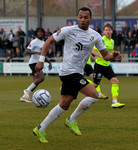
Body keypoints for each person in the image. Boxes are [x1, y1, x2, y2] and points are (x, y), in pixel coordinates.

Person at [32, 7, 123, 143]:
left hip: (77, 72)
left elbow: (106, 55)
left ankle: (40, 128)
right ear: (77, 18)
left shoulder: (95, 36)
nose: (83, 20)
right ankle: (71, 120)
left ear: (90, 19)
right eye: (80, 17)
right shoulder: (69, 30)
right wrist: (41, 61)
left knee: (64, 104)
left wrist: (114, 56)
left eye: (86, 17)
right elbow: (49, 41)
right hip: (69, 72)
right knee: (94, 95)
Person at [91, 23, 125, 108]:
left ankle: (114, 102)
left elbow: (109, 53)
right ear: (104, 32)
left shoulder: (112, 41)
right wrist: (102, 56)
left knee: (115, 81)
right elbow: (93, 50)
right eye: (106, 30)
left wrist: (116, 55)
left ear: (112, 31)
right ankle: (74, 89)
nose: (108, 32)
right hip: (99, 65)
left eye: (109, 30)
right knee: (94, 85)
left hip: (107, 66)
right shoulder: (101, 40)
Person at [20, 27, 52, 103]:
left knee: (35, 82)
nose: (40, 33)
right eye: (38, 32)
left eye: (41, 32)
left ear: (44, 33)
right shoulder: (34, 41)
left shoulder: (44, 43)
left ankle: (24, 97)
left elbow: (43, 54)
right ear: (36, 34)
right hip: (34, 63)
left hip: (38, 63)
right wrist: (36, 52)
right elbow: (27, 51)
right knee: (41, 78)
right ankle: (26, 91)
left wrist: (49, 62)